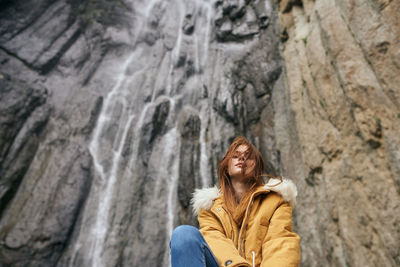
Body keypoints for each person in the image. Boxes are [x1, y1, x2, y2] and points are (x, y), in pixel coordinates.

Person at [170, 136, 300, 267]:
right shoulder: (210, 207)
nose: (242, 158)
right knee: (183, 235)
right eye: (235, 156)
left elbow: (280, 243)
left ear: (257, 167)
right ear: (226, 167)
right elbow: (213, 239)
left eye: (248, 156)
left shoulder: (275, 201)